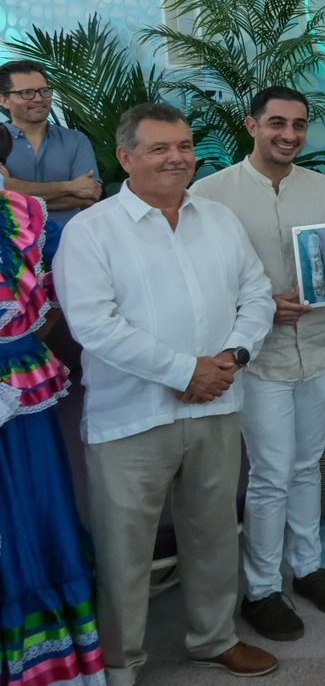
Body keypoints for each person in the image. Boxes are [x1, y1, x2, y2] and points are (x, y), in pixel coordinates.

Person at [54, 102, 278, 683]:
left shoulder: (219, 219)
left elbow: (256, 295)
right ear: (125, 157)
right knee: (125, 550)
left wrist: (231, 358)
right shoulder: (90, 231)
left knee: (212, 533)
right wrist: (186, 372)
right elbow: (94, 326)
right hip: (131, 419)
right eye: (158, 148)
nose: (176, 157)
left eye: (183, 145)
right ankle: (122, 663)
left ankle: (213, 638)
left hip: (218, 403)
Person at [191, 87, 325, 642]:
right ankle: (263, 589)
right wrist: (265, 306)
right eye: (276, 123)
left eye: (297, 125)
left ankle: (308, 567)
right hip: (259, 358)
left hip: (319, 350)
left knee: (307, 465)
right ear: (252, 125)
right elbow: (202, 281)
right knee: (270, 474)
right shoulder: (210, 196)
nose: (288, 135)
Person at [0, 125, 106, 686]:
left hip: (19, 394)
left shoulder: (27, 218)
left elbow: (69, 292)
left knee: (34, 510)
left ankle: (49, 658)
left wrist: (28, 336)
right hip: (19, 379)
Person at [0, 60, 101, 226]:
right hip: (12, 248)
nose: (39, 98)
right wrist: (70, 187)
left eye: (44, 90)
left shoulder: (76, 140)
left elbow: (90, 196)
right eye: (27, 93)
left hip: (69, 245)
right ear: (4, 100)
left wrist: (13, 196)